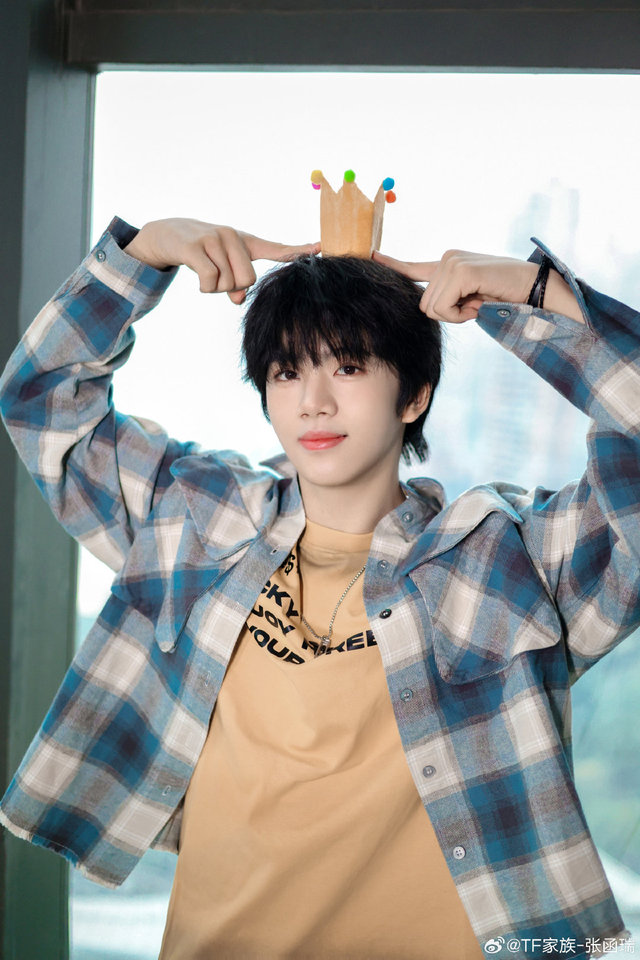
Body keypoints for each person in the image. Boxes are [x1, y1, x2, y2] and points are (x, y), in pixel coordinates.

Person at [0, 214, 637, 960]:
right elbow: (42, 403)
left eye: (350, 367)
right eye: (287, 372)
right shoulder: (196, 518)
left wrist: (537, 292)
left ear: (415, 394)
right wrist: (145, 254)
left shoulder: (505, 561)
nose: (314, 402)